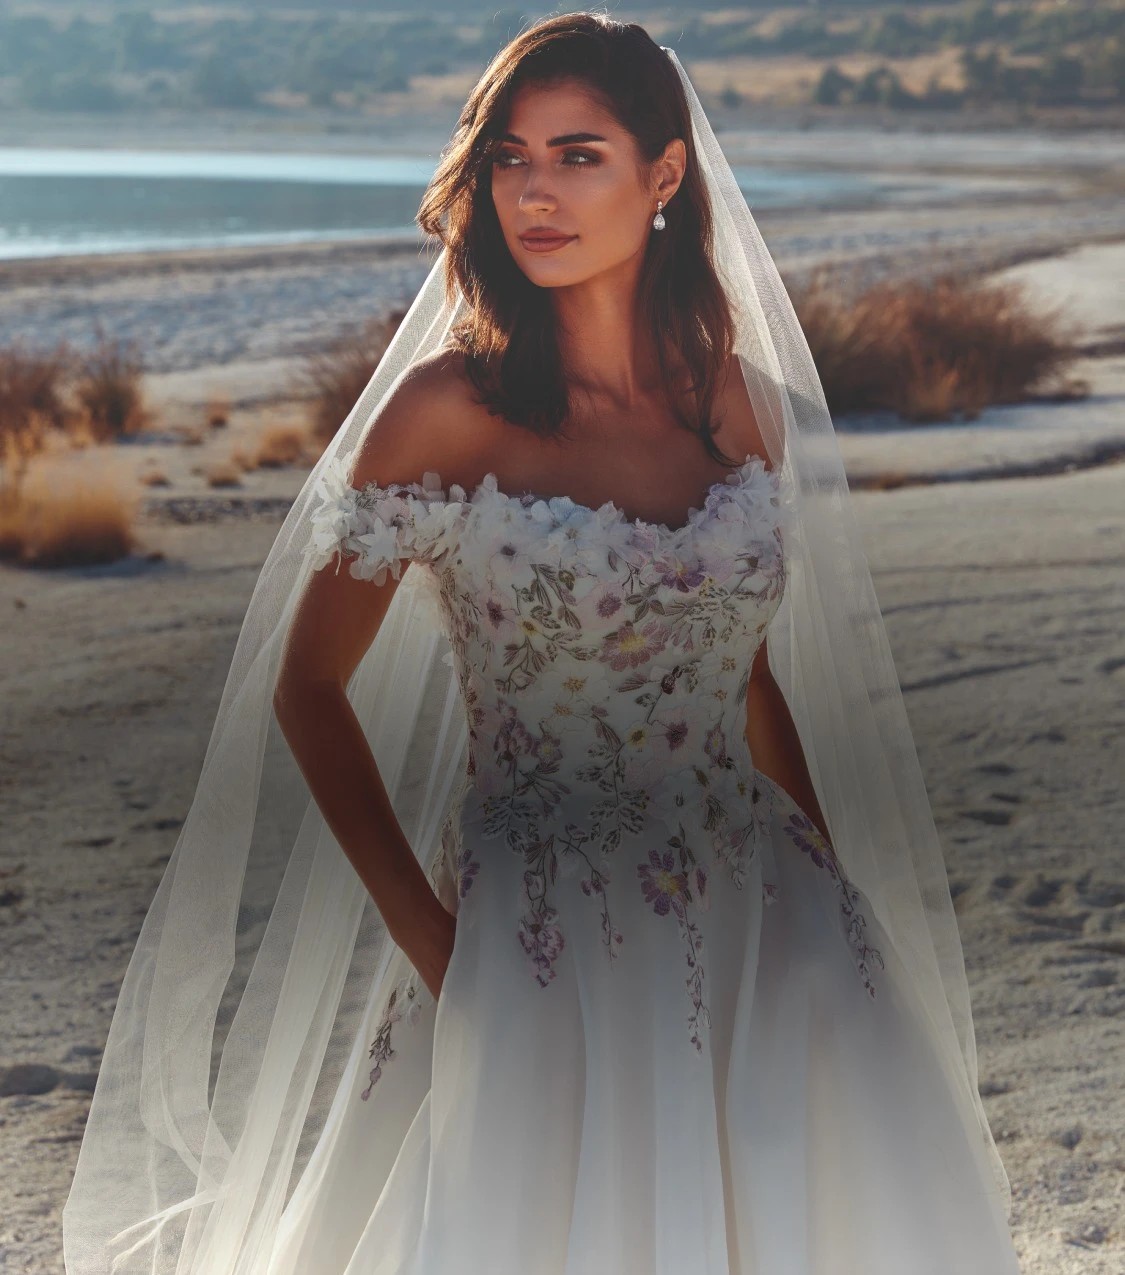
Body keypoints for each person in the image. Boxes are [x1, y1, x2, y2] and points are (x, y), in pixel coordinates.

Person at [63, 14, 1022, 1274]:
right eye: (511, 157)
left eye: (578, 155)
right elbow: (308, 687)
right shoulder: (447, 412)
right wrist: (439, 947)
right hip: (539, 928)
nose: (534, 192)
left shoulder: (730, 399)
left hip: (767, 917)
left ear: (663, 176)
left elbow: (746, 678)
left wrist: (829, 887)